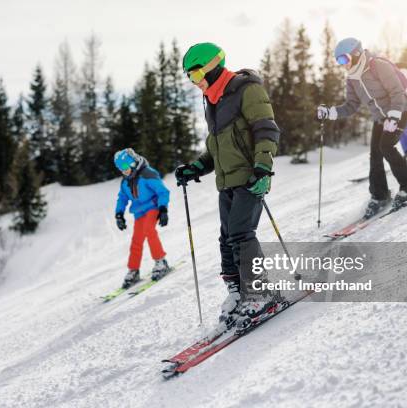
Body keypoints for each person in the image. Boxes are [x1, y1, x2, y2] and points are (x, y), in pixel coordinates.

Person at [175, 42, 281, 330]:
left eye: (196, 75)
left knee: (241, 234)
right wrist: (196, 167)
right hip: (227, 183)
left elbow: (266, 129)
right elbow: (216, 147)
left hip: (250, 177)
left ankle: (259, 293)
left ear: (211, 67)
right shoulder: (213, 100)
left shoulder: (246, 89)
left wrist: (263, 167)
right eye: (190, 79)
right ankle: (238, 293)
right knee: (227, 239)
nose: (195, 83)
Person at [317, 38, 407, 218]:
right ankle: (380, 196)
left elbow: (397, 92)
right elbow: (351, 106)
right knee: (375, 154)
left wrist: (394, 115)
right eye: (339, 61)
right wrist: (330, 112)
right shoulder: (352, 78)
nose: (342, 65)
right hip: (380, 118)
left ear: (355, 54)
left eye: (344, 59)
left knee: (386, 147)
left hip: (400, 109)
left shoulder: (377, 65)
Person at [114, 148, 170, 289]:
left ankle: (161, 261)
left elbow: (162, 191)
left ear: (133, 163)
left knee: (149, 230)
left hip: (153, 206)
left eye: (126, 167)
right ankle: (134, 270)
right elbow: (122, 198)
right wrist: (119, 214)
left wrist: (163, 209)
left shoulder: (147, 173)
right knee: (136, 240)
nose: (124, 171)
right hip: (139, 212)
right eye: (121, 169)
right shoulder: (126, 181)